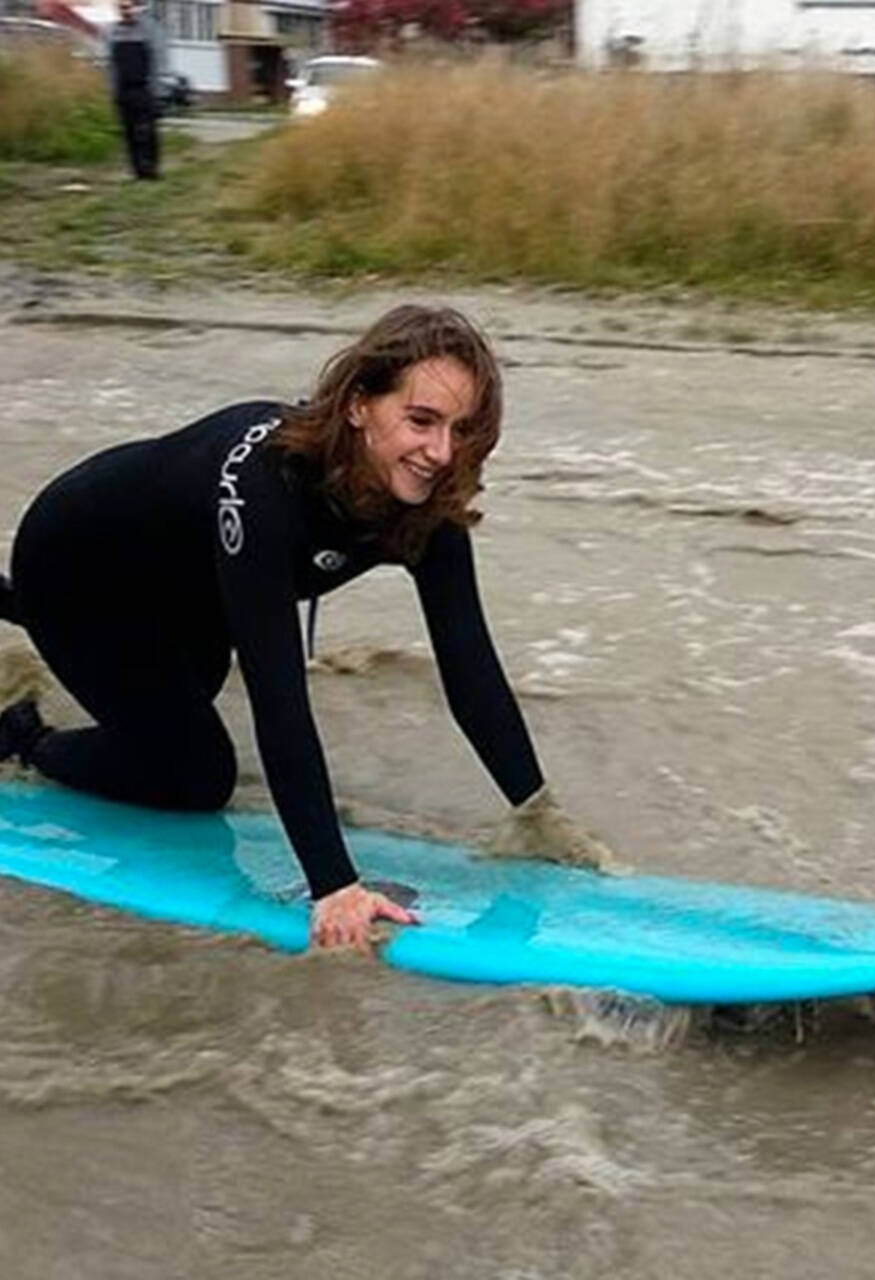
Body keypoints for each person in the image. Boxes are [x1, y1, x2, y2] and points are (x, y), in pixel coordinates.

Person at [0, 305, 615, 952]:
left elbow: (469, 668)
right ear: (358, 405)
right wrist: (334, 884)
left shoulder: (424, 501)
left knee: (189, 693)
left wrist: (536, 814)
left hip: (186, 586)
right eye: (421, 420)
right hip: (77, 568)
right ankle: (22, 736)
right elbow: (280, 699)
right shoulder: (267, 487)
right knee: (196, 775)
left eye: (461, 430)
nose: (440, 452)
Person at [107, 0, 166, 181]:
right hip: (123, 90)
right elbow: (111, 66)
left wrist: (156, 92)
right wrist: (113, 92)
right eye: (122, 8)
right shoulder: (113, 33)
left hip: (144, 88)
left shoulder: (148, 31)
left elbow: (156, 63)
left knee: (147, 131)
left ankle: (151, 168)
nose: (126, 11)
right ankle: (137, 170)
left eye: (128, 7)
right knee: (129, 132)